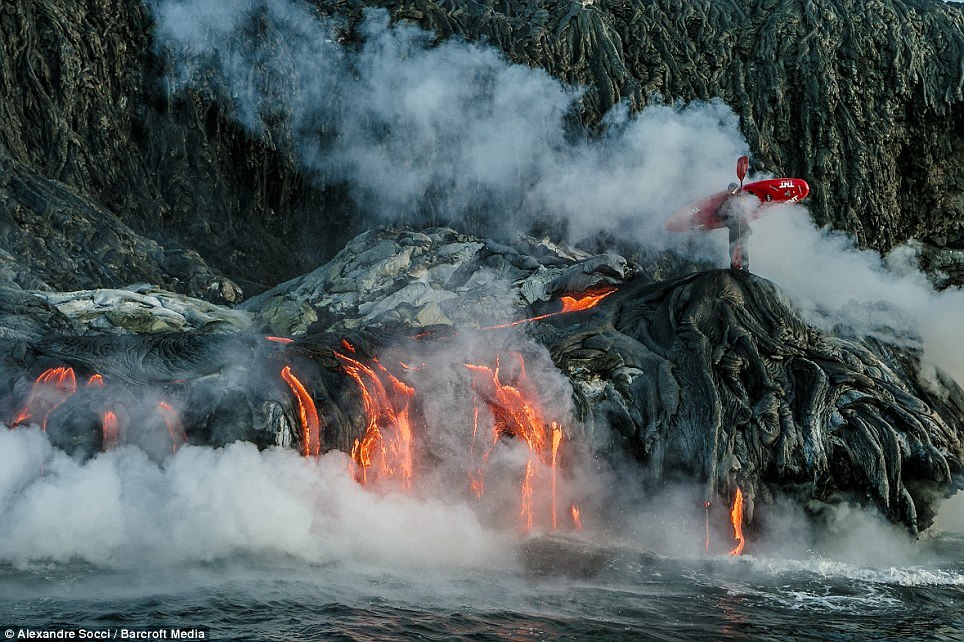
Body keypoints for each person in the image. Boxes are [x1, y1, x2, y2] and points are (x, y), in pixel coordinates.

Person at [720, 183, 752, 271]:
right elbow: (721, 212)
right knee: (732, 248)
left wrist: (740, 207)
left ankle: (745, 267)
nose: (729, 192)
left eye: (731, 190)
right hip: (733, 228)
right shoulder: (729, 201)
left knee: (743, 247)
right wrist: (729, 211)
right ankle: (734, 266)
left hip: (743, 228)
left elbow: (748, 212)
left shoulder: (743, 199)